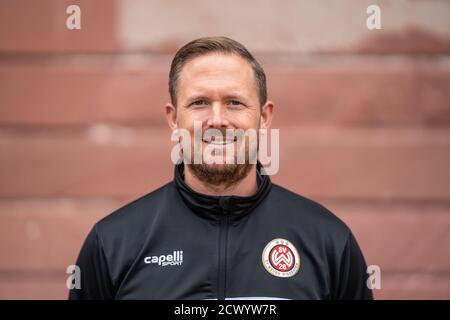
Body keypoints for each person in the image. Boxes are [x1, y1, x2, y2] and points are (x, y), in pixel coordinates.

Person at [69, 36, 373, 300]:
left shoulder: (328, 241)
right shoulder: (112, 243)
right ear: (173, 118)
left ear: (264, 117)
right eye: (199, 102)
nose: (217, 120)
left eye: (235, 103)